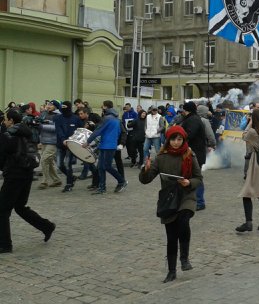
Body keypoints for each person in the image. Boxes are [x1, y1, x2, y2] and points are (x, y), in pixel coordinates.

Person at [139, 125, 203, 283]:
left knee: (183, 220)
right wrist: (145, 170)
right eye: (173, 139)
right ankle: (171, 271)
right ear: (168, 140)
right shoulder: (161, 157)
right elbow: (146, 180)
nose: (176, 142)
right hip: (168, 199)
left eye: (179, 139)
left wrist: (189, 182)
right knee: (171, 236)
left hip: (186, 195)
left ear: (183, 140)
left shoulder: (189, 154)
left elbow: (198, 178)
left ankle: (184, 257)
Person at [0, 109, 56, 253]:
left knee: (2, 210)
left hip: (14, 175)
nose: (4, 121)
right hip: (27, 173)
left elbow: (2, 157)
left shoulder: (7, 135)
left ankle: (5, 245)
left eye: (6, 119)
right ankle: (47, 226)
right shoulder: (28, 132)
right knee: (20, 206)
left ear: (11, 121)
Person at [85, 101, 128, 195]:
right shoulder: (116, 118)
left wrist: (87, 142)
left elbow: (98, 131)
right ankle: (102, 188)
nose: (102, 107)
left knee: (106, 166)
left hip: (108, 145)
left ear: (105, 107)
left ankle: (122, 181)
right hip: (106, 145)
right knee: (100, 167)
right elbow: (119, 132)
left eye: (103, 106)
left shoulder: (107, 118)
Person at [180, 101, 208, 211]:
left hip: (195, 154)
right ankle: (192, 200)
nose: (182, 112)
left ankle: (200, 201)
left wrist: (180, 138)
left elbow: (189, 135)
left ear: (187, 110)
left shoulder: (193, 120)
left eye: (184, 110)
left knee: (196, 177)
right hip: (194, 153)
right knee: (190, 176)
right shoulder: (193, 118)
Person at [54, 101, 83, 192]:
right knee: (59, 164)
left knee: (68, 165)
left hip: (72, 145)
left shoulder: (76, 118)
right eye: (62, 107)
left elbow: (80, 130)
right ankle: (71, 177)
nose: (63, 109)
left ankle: (69, 184)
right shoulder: (58, 118)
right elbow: (58, 130)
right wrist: (63, 139)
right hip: (61, 144)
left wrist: (74, 140)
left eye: (65, 107)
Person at [37, 101, 62, 189]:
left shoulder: (58, 116)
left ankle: (44, 182)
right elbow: (39, 124)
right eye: (48, 104)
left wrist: (42, 126)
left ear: (56, 106)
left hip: (53, 142)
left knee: (44, 160)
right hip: (44, 140)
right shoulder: (44, 114)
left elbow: (56, 128)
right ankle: (57, 180)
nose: (49, 106)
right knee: (49, 162)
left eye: (51, 105)